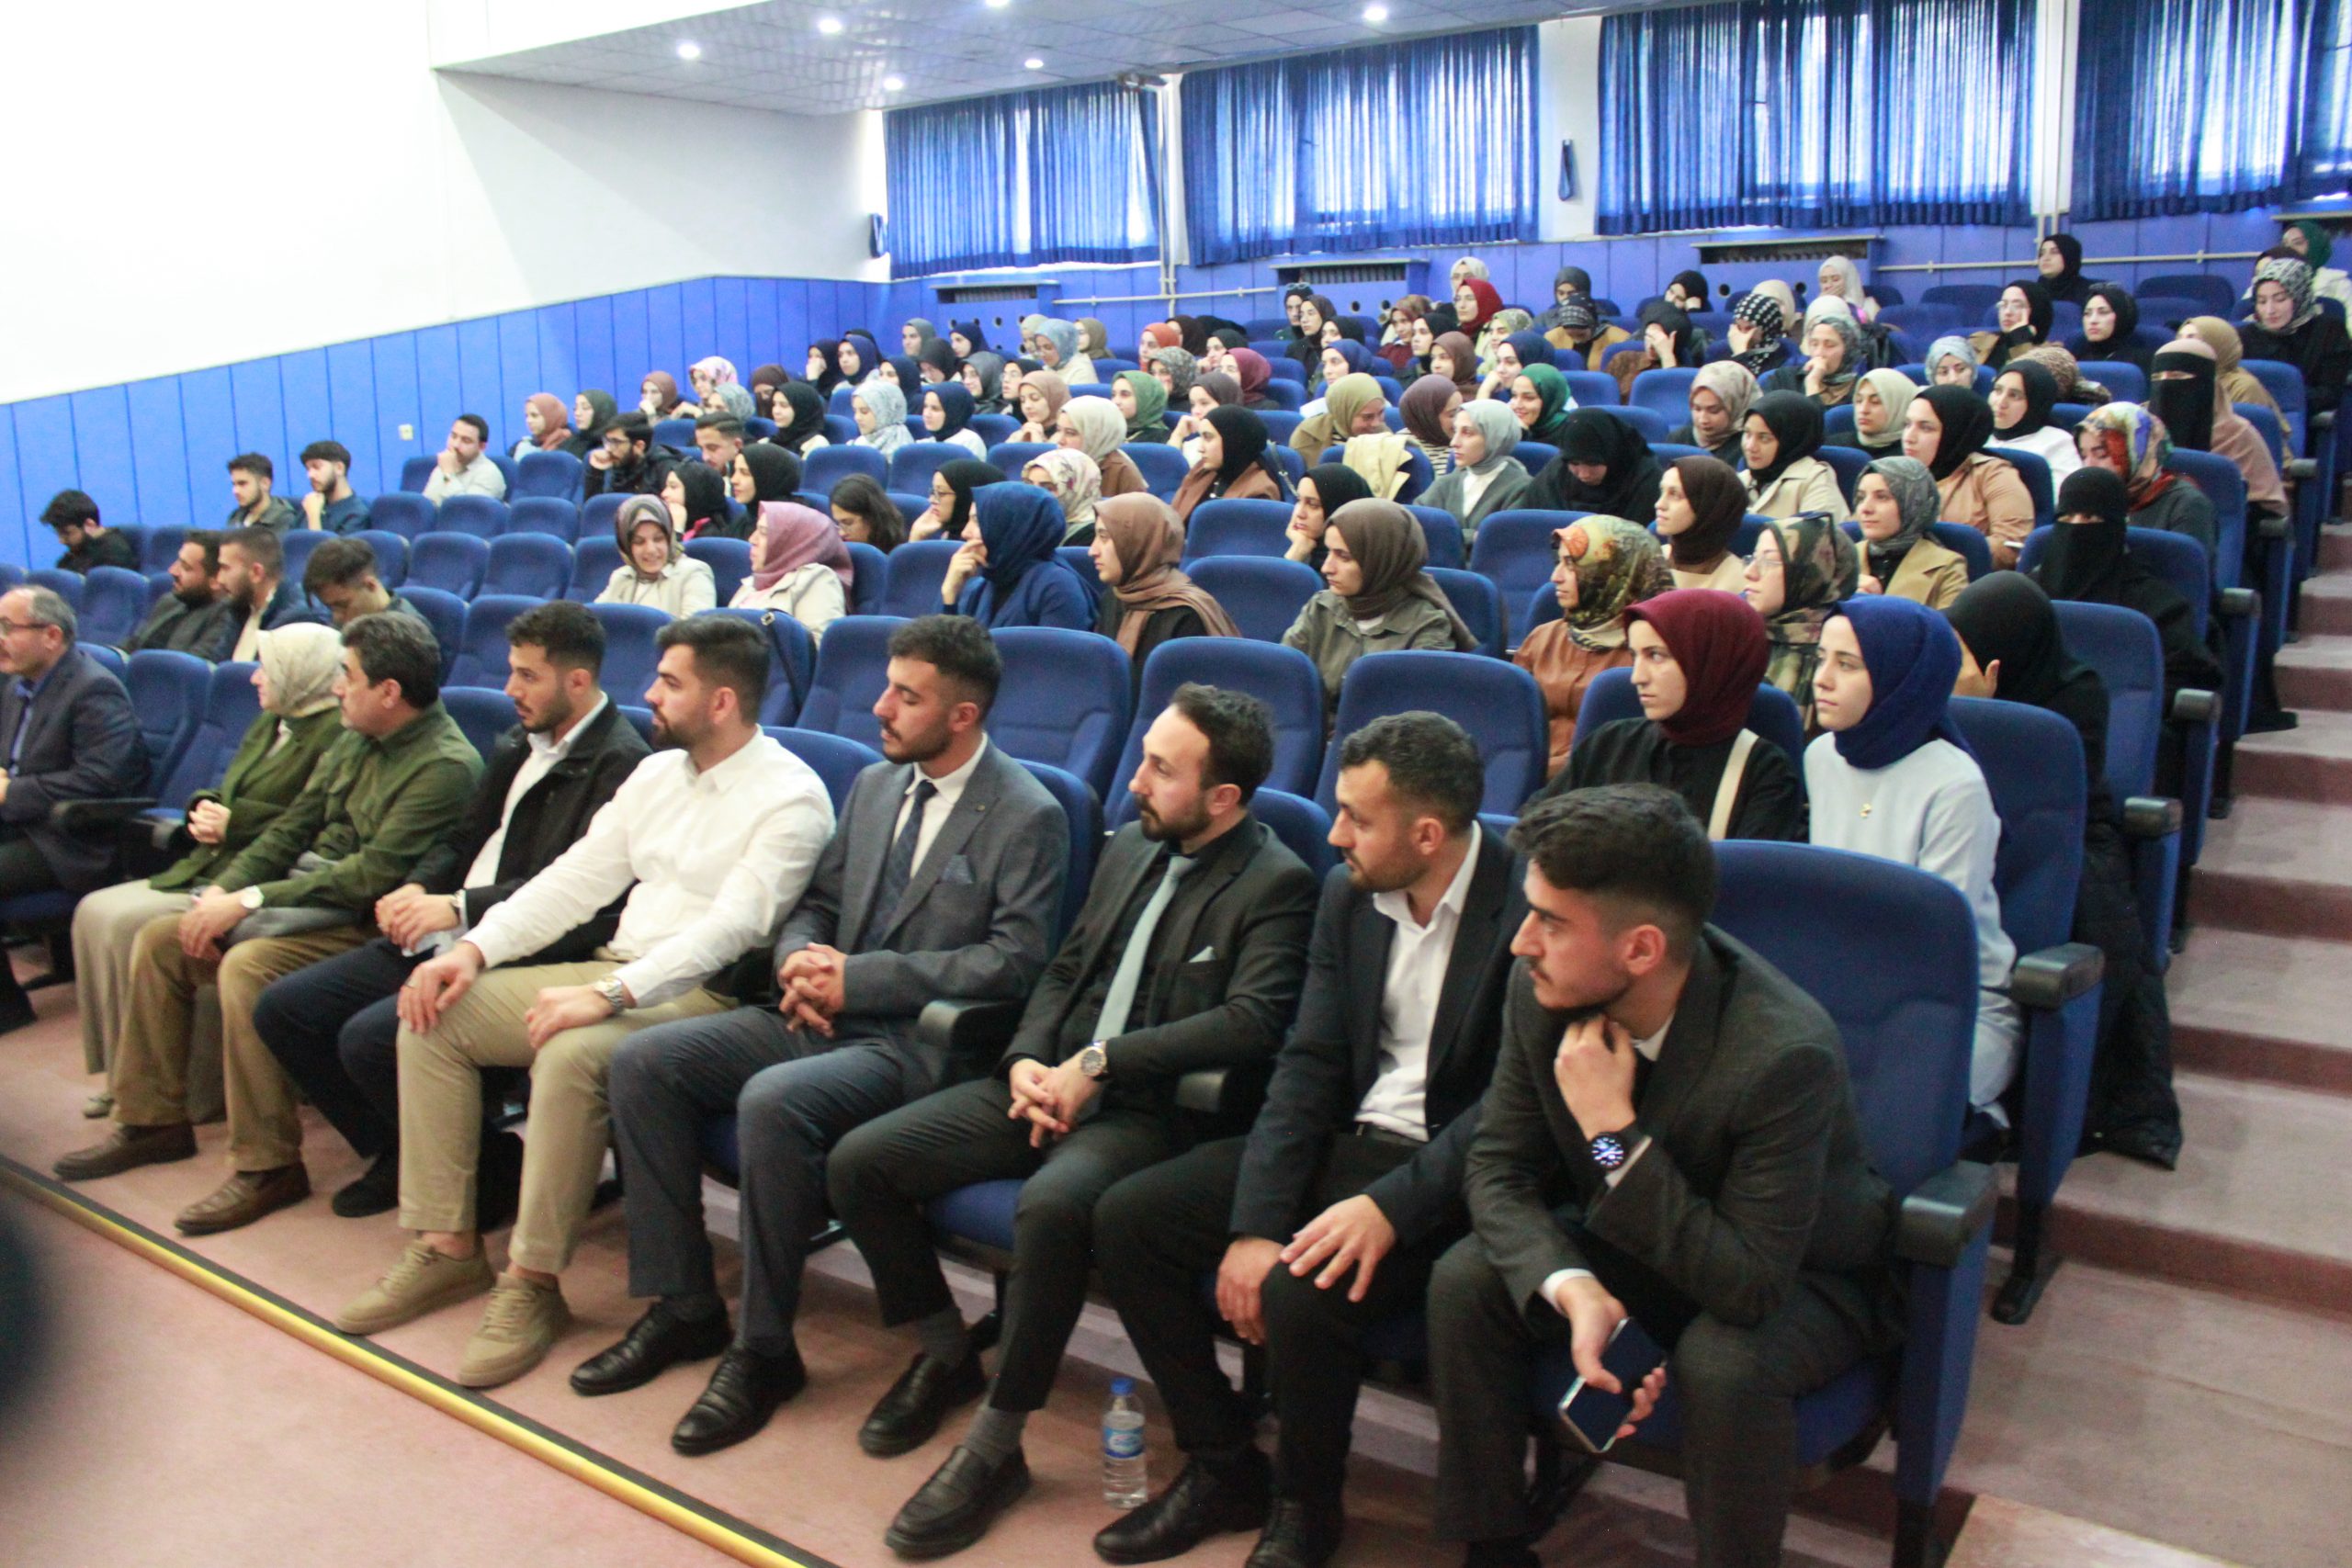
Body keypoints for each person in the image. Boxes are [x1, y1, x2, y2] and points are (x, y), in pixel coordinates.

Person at [831, 684, 1320, 1562]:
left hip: (1150, 1110)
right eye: (1144, 759)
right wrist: (1027, 1057)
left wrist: (1100, 1065)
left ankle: (996, 1445)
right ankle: (947, 1352)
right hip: (1049, 1077)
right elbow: (1064, 969)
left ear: (1223, 797)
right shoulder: (1132, 843)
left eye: (1161, 770)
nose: (1135, 781)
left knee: (1053, 1208)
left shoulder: (1276, 882)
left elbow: (1250, 1022)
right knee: (861, 1163)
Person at [571, 615, 1068, 1453]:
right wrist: (800, 961)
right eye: (887, 686)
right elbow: (818, 902)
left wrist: (858, 979)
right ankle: (685, 1303)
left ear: (963, 716)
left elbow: (1013, 962)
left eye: (907, 697)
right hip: (820, 1015)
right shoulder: (875, 785)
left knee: (773, 1102)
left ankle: (764, 1350)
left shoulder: (1027, 813)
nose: (880, 707)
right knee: (644, 1061)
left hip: (916, 1045)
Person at [333, 616, 836, 1389]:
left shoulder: (791, 797)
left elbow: (734, 930)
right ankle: (447, 1247)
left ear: (723, 700)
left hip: (705, 996)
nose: (649, 693)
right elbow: (574, 880)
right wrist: (472, 950)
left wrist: (606, 995)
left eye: (670, 682)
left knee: (568, 1053)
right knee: (434, 1011)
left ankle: (531, 1282)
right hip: (614, 968)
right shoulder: (658, 773)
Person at [1430, 784, 1901, 1568]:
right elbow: (1497, 1168)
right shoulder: (1543, 989)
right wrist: (1576, 1290)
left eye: (1550, 921)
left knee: (1725, 1360)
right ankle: (1494, 1546)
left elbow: (1748, 1283)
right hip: (1651, 1232)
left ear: (1641, 949)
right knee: (1468, 1278)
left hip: (1800, 1273)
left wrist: (1610, 1135)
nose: (1520, 943)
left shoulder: (1783, 1053)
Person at [1091, 713, 1522, 1568]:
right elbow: (1310, 1064)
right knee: (1130, 1218)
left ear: (1427, 835)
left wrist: (1385, 1207)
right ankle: (1224, 1462)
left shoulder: (1527, 909)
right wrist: (1257, 1223)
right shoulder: (1349, 893)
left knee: (1302, 1288)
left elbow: (1511, 1108)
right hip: (1353, 1139)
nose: (1334, 834)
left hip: (1461, 1173)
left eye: (1357, 817)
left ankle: (1306, 1504)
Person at [52, 613, 482, 1215]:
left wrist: (250, 901)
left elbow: (369, 878)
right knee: (163, 940)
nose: (336, 687)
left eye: (348, 675)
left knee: (248, 967)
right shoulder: (357, 735)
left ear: (389, 691)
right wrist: (219, 893)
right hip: (307, 900)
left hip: (367, 921)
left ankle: (268, 1164)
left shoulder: (444, 765)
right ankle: (152, 1120)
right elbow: (291, 829)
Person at [250, 602, 649, 1224]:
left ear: (577, 681)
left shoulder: (620, 764)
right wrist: (418, 887)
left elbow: (570, 890)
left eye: (527, 675)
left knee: (370, 1039)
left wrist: (457, 907)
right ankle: (400, 1150)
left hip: (520, 947)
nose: (510, 688)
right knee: (286, 1011)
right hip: (449, 929)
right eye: (511, 671)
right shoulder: (520, 739)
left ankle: (489, 1172)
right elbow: (462, 839)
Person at [1945, 572, 2179, 1168]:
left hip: (2070, 843)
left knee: (2097, 921)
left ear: (1998, 664)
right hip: (1977, 837)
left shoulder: (2075, 695)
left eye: (1962, 654)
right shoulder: (1944, 704)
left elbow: (2059, 807)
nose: (1950, 666)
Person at [70, 625, 342, 1116]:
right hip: (217, 861)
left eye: (269, 669)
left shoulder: (335, 735)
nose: (256, 678)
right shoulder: (273, 720)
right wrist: (204, 805)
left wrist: (233, 824)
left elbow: (306, 822)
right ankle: (124, 1073)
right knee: (94, 913)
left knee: (128, 925)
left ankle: (177, 1086)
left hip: (257, 872)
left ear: (300, 674)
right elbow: (230, 786)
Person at [1807, 596, 2018, 1113]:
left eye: (1847, 665)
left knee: (1870, 1104)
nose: (1822, 680)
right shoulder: (1820, 755)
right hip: (1840, 989)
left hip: (1949, 1005)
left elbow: (1937, 942)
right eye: (1820, 658)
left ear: (1901, 680)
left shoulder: (1955, 785)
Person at [1537, 586, 1805, 841]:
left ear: (1711, 661)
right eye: (1635, 656)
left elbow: (1747, 872)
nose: (1637, 677)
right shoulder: (1609, 743)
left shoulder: (1763, 771)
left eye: (1656, 656)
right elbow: (1533, 830)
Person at [0, 587, 145, 1032]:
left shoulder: (93, 689)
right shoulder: (17, 686)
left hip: (71, 840)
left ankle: (6, 1010)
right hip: (22, 823)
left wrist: (11, 792)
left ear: (51, 635)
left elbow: (100, 780)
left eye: (8, 627)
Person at [2031, 468, 2225, 732]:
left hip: (2123, 729)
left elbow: (2186, 676)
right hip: (2037, 723)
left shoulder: (2157, 603)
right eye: (2066, 517)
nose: (2075, 528)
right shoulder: (2028, 593)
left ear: (2115, 526)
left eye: (2090, 518)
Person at [1284, 499, 1480, 722]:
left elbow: (1414, 718)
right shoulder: (1321, 606)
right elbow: (1286, 681)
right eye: (1328, 552)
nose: (1327, 567)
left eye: (1344, 557)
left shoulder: (1428, 626)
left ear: (1380, 560)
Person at [1514, 517, 1672, 775]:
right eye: (1558, 563)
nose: (1555, 577)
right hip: (1526, 777)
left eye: (1571, 565)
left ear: (1613, 571)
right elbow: (1512, 726)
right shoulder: (1543, 637)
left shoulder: (1655, 649)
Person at [1089, 494, 1240, 698]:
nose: (1092, 550)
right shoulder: (1114, 597)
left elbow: (1192, 707)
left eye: (1104, 537)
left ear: (1138, 541)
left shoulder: (1186, 615)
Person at [2147, 336, 2288, 522]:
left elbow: (2265, 511)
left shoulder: (2238, 435)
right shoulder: (2143, 429)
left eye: (2177, 376)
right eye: (2157, 378)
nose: (2165, 386)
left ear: (2207, 383)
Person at [1746, 511, 1859, 731]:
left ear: (1812, 572)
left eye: (1768, 561)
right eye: (1752, 558)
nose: (1750, 572)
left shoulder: (1840, 655)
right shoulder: (1740, 636)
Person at [1903, 386, 2034, 570]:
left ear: (1955, 431)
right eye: (1907, 424)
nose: (1909, 437)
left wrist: (1930, 556)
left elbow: (2011, 547)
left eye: (1926, 428)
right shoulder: (1895, 474)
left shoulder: (1994, 475)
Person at [941, 482, 1096, 632]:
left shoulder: (1058, 586)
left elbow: (1054, 650)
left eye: (977, 521)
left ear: (1008, 526)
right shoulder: (982, 580)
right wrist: (949, 594)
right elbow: (941, 647)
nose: (965, 533)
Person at [2075, 403, 2216, 558]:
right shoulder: (2089, 500)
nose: (2088, 465)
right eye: (2084, 456)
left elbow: (2185, 569)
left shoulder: (2188, 504)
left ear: (2134, 451)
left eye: (2101, 454)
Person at [2239, 255, 2352, 418]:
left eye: (2280, 299)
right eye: (2262, 302)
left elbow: (2330, 394)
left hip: (2307, 421)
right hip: (2252, 419)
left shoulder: (2330, 331)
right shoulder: (2245, 335)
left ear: (2299, 297)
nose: (2270, 310)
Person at [1855, 456, 1967, 609]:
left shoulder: (1947, 567)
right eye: (1861, 497)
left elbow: (1946, 625)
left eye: (1882, 497)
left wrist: (1879, 608)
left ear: (1913, 503)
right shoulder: (1839, 560)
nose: (1865, 508)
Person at [731, 502, 850, 641]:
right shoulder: (753, 581)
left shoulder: (817, 579)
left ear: (793, 541)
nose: (752, 539)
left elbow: (817, 647)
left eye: (763, 532)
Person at [1419, 400, 1532, 540]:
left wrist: (1446, 534)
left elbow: (1500, 541)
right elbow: (1417, 526)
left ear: (1495, 437)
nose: (1454, 443)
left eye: (1467, 432)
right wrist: (1472, 536)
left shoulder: (1522, 489)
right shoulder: (1447, 482)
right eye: (1455, 431)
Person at [1522, 408, 1664, 519]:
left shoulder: (1646, 481)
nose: (1584, 474)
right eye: (1574, 463)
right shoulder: (1555, 475)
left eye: (1593, 463)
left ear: (1612, 453)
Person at [598, 495, 717, 615]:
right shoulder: (621, 577)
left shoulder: (694, 573)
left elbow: (696, 626)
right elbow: (595, 621)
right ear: (626, 546)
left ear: (669, 539)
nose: (650, 550)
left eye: (658, 539)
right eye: (639, 542)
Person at [218, 526, 322, 660]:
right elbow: (219, 664)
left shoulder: (296, 618)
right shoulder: (240, 607)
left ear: (256, 573)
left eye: (226, 568)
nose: (219, 580)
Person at [1740, 392, 1849, 521]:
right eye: (1747, 434)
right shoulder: (1741, 480)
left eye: (1764, 438)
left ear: (1790, 440)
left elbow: (1820, 531)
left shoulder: (1816, 481)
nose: (1750, 446)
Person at [124, 532, 237, 655]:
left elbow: (192, 663)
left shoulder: (227, 616)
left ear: (216, 579)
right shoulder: (169, 601)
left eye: (186, 567)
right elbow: (131, 646)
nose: (172, 571)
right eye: (177, 561)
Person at [1171, 406, 1289, 523]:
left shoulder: (1260, 492)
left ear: (1232, 440)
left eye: (1208, 438)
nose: (1200, 448)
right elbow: (1172, 520)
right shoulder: (1201, 470)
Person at [1655, 455, 1748, 592]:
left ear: (1708, 506)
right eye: (1662, 491)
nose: (1659, 504)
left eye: (1675, 494)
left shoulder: (1741, 584)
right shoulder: (1650, 560)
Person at [302, 536, 429, 629]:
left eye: (343, 605)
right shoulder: (345, 625)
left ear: (370, 585)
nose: (336, 617)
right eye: (330, 607)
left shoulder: (408, 633)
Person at [1985, 360, 2081, 481]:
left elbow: (2059, 491)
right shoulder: (1975, 431)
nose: (2000, 402)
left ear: (2035, 403)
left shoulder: (2058, 443)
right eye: (1997, 390)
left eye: (2014, 395)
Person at [2177, 316, 2280, 419]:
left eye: (2191, 338)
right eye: (2180, 338)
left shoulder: (2243, 388)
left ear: (2216, 344)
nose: (2181, 345)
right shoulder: (2175, 378)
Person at [1761, 312, 1865, 408]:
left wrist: (1812, 386)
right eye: (1814, 344)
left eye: (1830, 345)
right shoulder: (1783, 380)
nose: (1819, 353)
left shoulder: (1863, 390)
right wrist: (1812, 380)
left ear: (1849, 350)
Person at [1283, 464, 1374, 571]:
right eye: (1298, 500)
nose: (1299, 513)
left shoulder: (1356, 567)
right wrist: (1298, 549)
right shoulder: (1304, 546)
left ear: (1337, 508)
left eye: (1313, 504)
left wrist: (1296, 553)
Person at [1668, 362, 1758, 465]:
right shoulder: (1677, 439)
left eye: (1714, 411)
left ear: (1735, 407)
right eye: (1697, 409)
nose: (1703, 419)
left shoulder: (1749, 446)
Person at [1057, 397, 1147, 499]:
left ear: (1095, 435)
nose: (1060, 440)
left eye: (1070, 433)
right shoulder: (1054, 464)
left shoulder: (1122, 472)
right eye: (1058, 430)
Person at [583, 412, 681, 501]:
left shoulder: (665, 468)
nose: (608, 449)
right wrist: (596, 474)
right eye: (607, 441)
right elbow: (596, 510)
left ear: (639, 446)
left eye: (616, 442)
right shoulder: (619, 465)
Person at [909, 458, 1006, 543]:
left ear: (965, 497)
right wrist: (916, 535)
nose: (931, 500)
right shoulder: (948, 535)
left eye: (941, 493)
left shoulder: (983, 547)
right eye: (933, 492)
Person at [41, 491, 138, 573]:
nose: (61, 540)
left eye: (66, 533)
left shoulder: (114, 554)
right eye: (58, 533)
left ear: (89, 525)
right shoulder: (76, 553)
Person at [1967, 281, 2053, 372]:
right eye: (2003, 305)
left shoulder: (2049, 355)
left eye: (2017, 306)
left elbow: (2027, 375)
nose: (2007, 312)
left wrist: (2020, 337)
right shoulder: (1978, 341)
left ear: (2037, 311)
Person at [1022, 449, 1102, 545]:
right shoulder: (1031, 522)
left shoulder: (1093, 534)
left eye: (1048, 488)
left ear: (1075, 490)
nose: (1034, 495)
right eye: (1029, 485)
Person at [422, 415, 507, 503]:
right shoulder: (443, 466)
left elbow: (466, 508)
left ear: (482, 447)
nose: (456, 445)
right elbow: (426, 504)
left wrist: (448, 475)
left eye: (466, 441)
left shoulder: (489, 474)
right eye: (453, 436)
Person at [2066, 284, 2148, 373]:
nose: (2093, 320)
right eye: (2087, 313)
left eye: (2103, 312)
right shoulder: (2074, 358)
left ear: (2121, 317)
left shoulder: (2141, 361)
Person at [296, 441, 371, 535]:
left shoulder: (357, 514)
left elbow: (331, 546)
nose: (310, 475)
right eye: (308, 469)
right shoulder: (310, 505)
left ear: (339, 468)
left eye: (316, 467)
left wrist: (314, 517)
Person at [2276, 219, 2352, 309]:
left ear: (2315, 246)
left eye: (2297, 243)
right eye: (2285, 244)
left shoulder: (2338, 283)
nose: (2289, 249)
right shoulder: (2273, 282)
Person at [1398, 373, 1460, 476]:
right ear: (1428, 416)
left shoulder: (1466, 443)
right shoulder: (1400, 448)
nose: (1459, 420)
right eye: (1452, 415)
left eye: (1461, 410)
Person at [1849, 367, 1918, 457]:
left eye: (1875, 402)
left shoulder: (1913, 454)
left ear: (1899, 407)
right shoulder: (1836, 446)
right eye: (1859, 400)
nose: (1863, 410)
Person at [830, 474, 908, 552]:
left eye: (848, 523)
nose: (841, 533)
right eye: (838, 524)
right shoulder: (836, 553)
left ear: (872, 518)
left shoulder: (900, 555)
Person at [664, 459, 735, 542]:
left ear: (694, 492)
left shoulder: (710, 539)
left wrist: (677, 531)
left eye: (673, 487)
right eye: (666, 486)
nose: (664, 494)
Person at [225, 453, 299, 533]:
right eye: (234, 484)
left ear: (265, 484)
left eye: (242, 484)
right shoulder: (236, 516)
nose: (235, 491)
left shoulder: (283, 520)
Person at [1724, 289, 1789, 378]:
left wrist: (1740, 354)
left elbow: (1747, 384)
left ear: (1766, 329)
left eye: (1749, 328)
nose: (1741, 335)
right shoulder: (1724, 352)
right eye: (1738, 327)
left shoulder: (1781, 360)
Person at [920, 384, 989, 457]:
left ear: (953, 412)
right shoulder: (927, 440)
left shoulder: (970, 442)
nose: (926, 414)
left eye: (935, 409)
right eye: (925, 406)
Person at [770, 383, 831, 458]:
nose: (776, 411)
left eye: (784, 405)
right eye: (774, 404)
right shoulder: (772, 441)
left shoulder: (816, 445)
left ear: (802, 409)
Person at [2037, 232, 2099, 305]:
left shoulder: (2090, 293)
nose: (2046, 258)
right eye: (2042, 253)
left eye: (2054, 252)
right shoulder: (2034, 293)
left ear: (2069, 256)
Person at [853, 380, 911, 457]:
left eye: (864, 411)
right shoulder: (860, 442)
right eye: (855, 411)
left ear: (884, 412)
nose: (857, 418)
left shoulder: (901, 448)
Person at [1012, 367, 1069, 445]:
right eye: (1023, 400)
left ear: (1054, 399)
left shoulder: (1068, 437)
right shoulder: (1021, 433)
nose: (1027, 406)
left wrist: (1039, 445)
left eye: (1035, 398)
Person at [1815, 255, 1881, 321]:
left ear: (1849, 280)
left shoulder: (1870, 307)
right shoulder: (1817, 309)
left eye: (1835, 279)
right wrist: (1820, 305)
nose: (1829, 285)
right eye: (1824, 281)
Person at [511, 393, 572, 459]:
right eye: (527, 416)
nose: (528, 421)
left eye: (534, 415)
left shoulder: (572, 445)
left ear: (550, 416)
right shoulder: (522, 445)